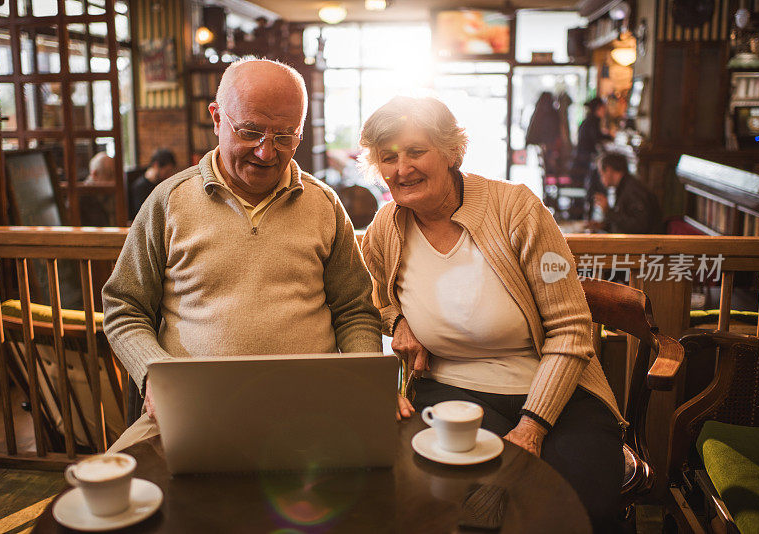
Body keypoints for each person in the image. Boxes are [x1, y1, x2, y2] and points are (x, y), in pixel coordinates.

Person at [360, 96, 625, 532]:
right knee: (446, 502)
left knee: (572, 505)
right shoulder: (385, 228)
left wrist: (532, 427)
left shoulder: (516, 209)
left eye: (416, 151)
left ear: (451, 152)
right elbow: (378, 297)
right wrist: (398, 322)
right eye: (389, 157)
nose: (402, 168)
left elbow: (570, 329)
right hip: (451, 388)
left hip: (556, 392)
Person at [102, 58, 382, 451]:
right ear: (216, 118)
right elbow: (124, 308)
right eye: (250, 131)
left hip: (310, 408)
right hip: (191, 409)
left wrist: (363, 383)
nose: (266, 153)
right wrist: (156, 374)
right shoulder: (168, 201)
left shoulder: (324, 204)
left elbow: (355, 310)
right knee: (113, 499)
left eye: (286, 136)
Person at [588, 151, 663, 234]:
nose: (601, 179)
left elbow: (639, 226)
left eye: (601, 174)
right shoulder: (624, 186)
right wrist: (604, 226)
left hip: (644, 245)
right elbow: (624, 223)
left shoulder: (633, 189)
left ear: (609, 170)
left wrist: (608, 211)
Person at [129, 148, 177, 219]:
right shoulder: (140, 187)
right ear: (156, 165)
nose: (169, 175)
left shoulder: (162, 183)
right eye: (167, 171)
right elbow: (142, 216)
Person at [79, 152, 116, 226]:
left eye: (115, 175)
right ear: (95, 174)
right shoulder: (81, 198)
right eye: (109, 175)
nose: (114, 181)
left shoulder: (110, 194)